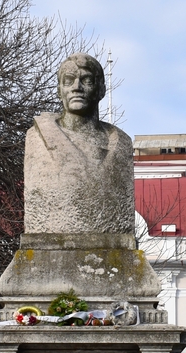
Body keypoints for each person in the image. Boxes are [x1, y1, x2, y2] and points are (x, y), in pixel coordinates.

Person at [22, 53, 134, 235]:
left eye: (86, 80)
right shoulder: (38, 137)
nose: (77, 87)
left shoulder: (121, 143)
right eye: (68, 81)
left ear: (101, 90)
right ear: (59, 90)